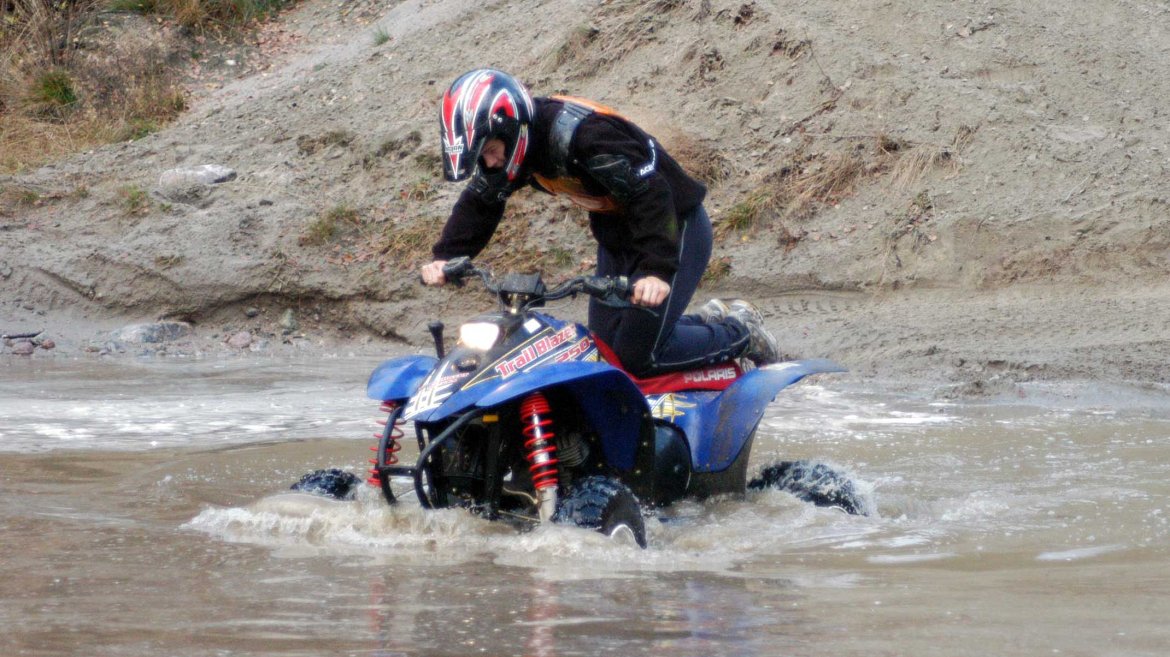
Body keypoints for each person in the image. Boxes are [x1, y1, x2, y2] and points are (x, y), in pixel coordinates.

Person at [420, 68, 778, 377]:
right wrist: (445, 256)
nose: (491, 163)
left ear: (511, 129)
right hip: (618, 236)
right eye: (482, 157)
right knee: (603, 352)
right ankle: (707, 321)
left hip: (673, 227)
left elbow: (652, 196)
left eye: (490, 151)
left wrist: (655, 270)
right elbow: (481, 201)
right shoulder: (515, 146)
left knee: (638, 357)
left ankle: (742, 333)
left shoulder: (586, 138)